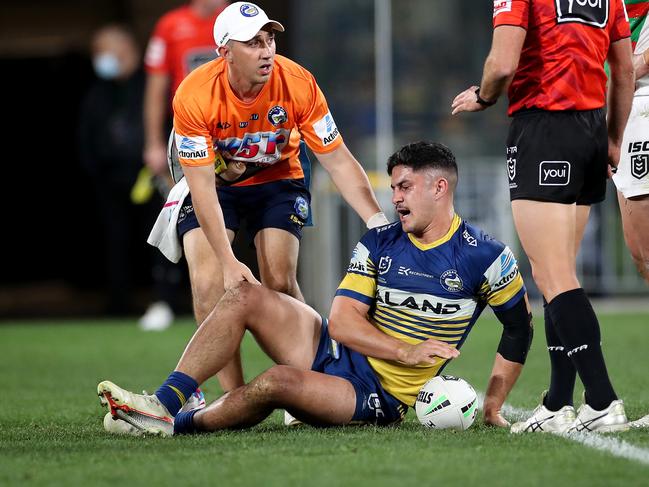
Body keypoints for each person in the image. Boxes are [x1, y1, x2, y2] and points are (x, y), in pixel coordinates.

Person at [98, 141, 533, 436]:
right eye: (394, 188)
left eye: (405, 187)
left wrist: (493, 404)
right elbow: (342, 322)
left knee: (275, 383)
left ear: (440, 188)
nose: (395, 198)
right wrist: (404, 350)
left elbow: (519, 327)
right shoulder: (381, 239)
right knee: (245, 293)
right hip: (332, 346)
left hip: (372, 395)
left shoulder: (486, 257)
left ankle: (180, 426)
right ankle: (163, 403)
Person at [149, 1, 390, 393]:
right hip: (218, 187)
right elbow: (203, 187)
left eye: (270, 39)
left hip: (279, 178)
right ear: (224, 52)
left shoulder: (297, 82)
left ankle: (312, 385)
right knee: (211, 283)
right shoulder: (193, 95)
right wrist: (229, 262)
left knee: (278, 279)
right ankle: (234, 397)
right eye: (252, 43)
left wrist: (376, 220)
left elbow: (339, 161)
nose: (266, 50)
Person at [452, 0, 634, 433]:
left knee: (552, 275)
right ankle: (557, 403)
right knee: (560, 274)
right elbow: (623, 71)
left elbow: (501, 63)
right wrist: (612, 138)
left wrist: (483, 96)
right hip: (591, 126)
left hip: (545, 126)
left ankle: (602, 401)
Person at [139, 0, 230, 331]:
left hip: (233, 133)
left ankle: (238, 296)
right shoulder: (170, 25)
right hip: (188, 134)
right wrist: (152, 141)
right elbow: (156, 86)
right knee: (176, 212)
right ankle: (164, 299)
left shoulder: (238, 19)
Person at [78, 25, 149, 315]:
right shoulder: (98, 92)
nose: (98, 58)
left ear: (123, 49)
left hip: (147, 175)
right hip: (110, 180)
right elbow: (86, 136)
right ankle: (119, 302)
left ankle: (163, 300)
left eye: (102, 51)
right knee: (115, 241)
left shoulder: (150, 84)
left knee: (157, 239)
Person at [615, 0, 649, 430]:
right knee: (641, 257)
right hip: (622, 114)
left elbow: (634, 66)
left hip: (643, 107)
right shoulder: (612, 8)